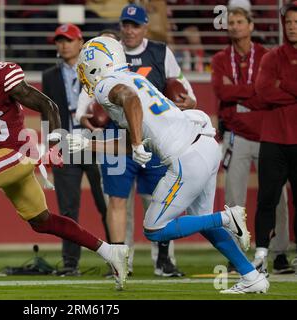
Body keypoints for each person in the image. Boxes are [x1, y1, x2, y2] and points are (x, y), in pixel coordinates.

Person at [0, 20, 129, 290]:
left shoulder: (3, 76)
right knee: (42, 221)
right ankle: (110, 252)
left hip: (15, 151)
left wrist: (55, 143)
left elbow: (48, 105)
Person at [69, 36, 269, 293]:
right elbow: (131, 138)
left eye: (86, 69)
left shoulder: (107, 85)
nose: (85, 77)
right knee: (201, 220)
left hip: (186, 158)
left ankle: (226, 217)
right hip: (205, 146)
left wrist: (139, 143)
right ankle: (251, 276)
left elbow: (129, 101)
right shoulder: (135, 77)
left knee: (154, 228)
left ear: (96, 65)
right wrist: (89, 144)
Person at [78, 4, 197, 277]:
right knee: (117, 200)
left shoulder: (160, 51)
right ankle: (120, 259)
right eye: (126, 24)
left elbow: (185, 91)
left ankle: (164, 259)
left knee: (160, 198)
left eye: (135, 25)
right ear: (120, 26)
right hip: (116, 136)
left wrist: (187, 102)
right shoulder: (106, 52)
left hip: (152, 137)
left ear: (145, 27)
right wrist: (85, 115)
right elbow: (88, 95)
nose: (130, 30)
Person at [211, 7, 293, 275]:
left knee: (277, 198)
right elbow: (223, 90)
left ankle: (280, 254)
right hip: (238, 134)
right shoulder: (222, 58)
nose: (234, 27)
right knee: (235, 199)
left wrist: (250, 94)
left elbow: (262, 92)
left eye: (239, 22)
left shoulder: (266, 55)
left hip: (270, 133)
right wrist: (261, 91)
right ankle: (239, 256)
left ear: (251, 25)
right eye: (230, 22)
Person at [42, 24, 109, 276]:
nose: (64, 45)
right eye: (59, 40)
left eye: (69, 40)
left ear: (81, 42)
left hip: (96, 144)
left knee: (107, 205)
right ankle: (70, 263)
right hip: (67, 145)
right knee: (68, 209)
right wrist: (51, 149)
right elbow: (47, 115)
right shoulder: (49, 76)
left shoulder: (98, 70)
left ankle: (117, 257)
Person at [252, 2, 297, 273]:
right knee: (267, 199)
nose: (292, 26)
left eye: (296, 22)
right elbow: (263, 92)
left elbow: (274, 89)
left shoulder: (274, 62)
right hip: (273, 139)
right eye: (289, 22)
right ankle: (260, 256)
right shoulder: (271, 57)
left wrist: (284, 83)